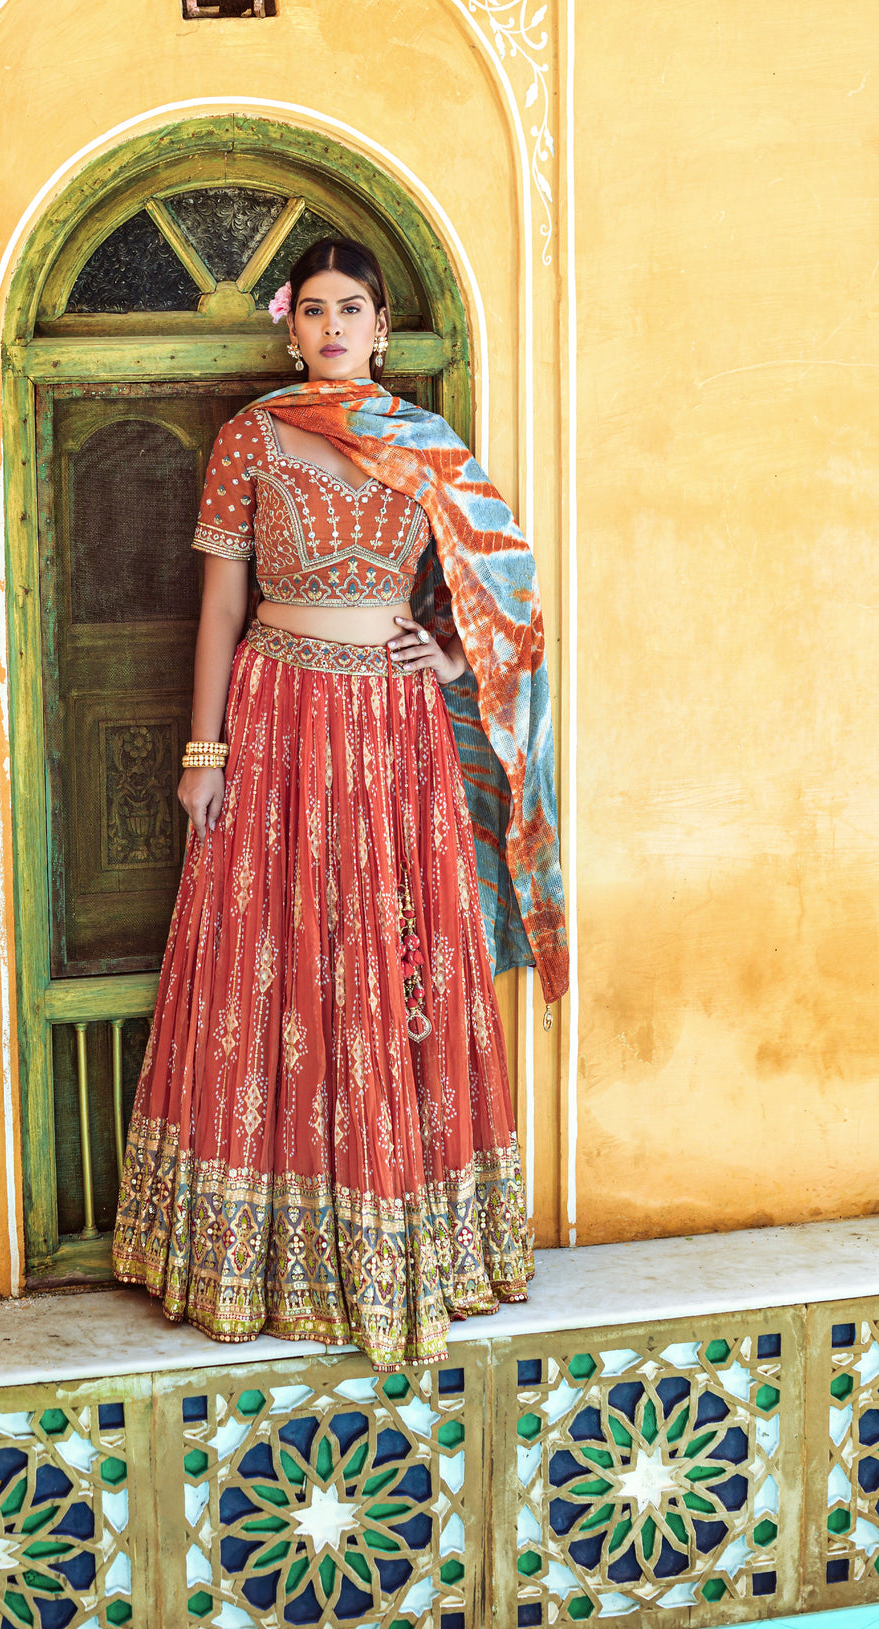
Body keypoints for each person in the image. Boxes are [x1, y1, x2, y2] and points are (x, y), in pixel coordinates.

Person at [112, 237, 568, 1370]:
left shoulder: (427, 449)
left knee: (384, 953)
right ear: (289, 326)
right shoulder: (250, 437)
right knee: (268, 952)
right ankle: (255, 1254)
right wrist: (201, 751)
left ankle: (410, 1239)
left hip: (395, 729)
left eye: (349, 308)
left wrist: (456, 667)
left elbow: (502, 600)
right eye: (312, 309)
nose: (330, 327)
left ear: (380, 327)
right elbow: (219, 607)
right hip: (273, 718)